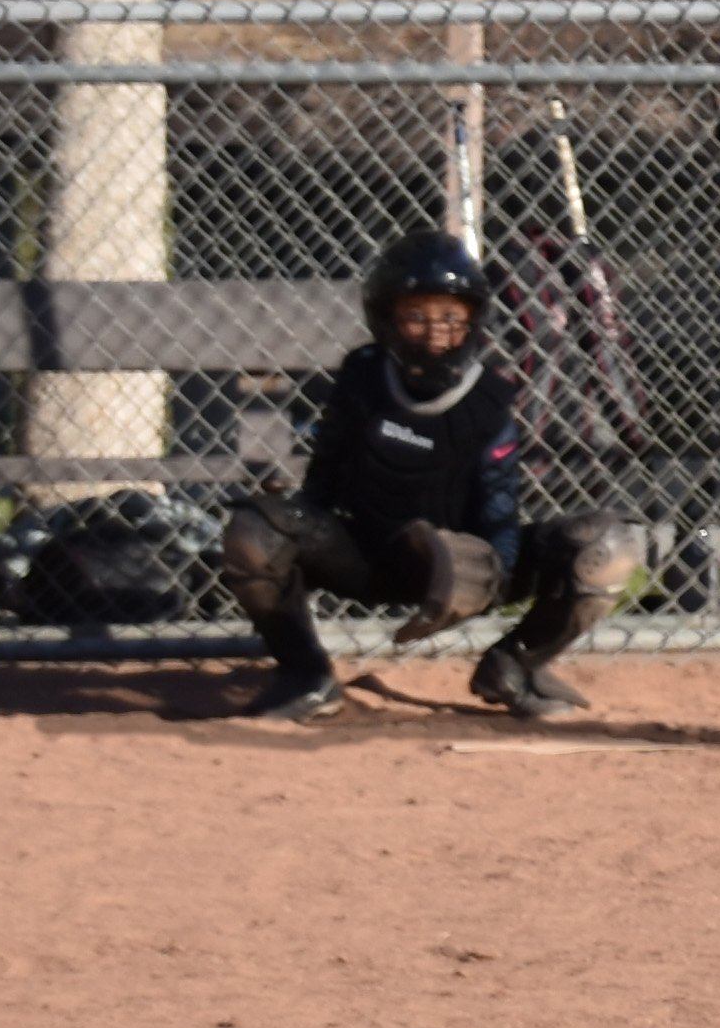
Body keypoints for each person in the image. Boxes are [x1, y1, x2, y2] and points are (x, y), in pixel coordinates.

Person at [221, 230, 644, 724]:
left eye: (451, 316)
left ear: (473, 319)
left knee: (606, 547)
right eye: (416, 316)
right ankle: (306, 676)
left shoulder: (488, 402)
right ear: (386, 318)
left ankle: (513, 666)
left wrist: (490, 570)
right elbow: (325, 477)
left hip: (465, 567)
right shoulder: (363, 375)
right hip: (366, 555)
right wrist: (294, 527)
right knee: (255, 530)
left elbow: (499, 506)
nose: (435, 330)